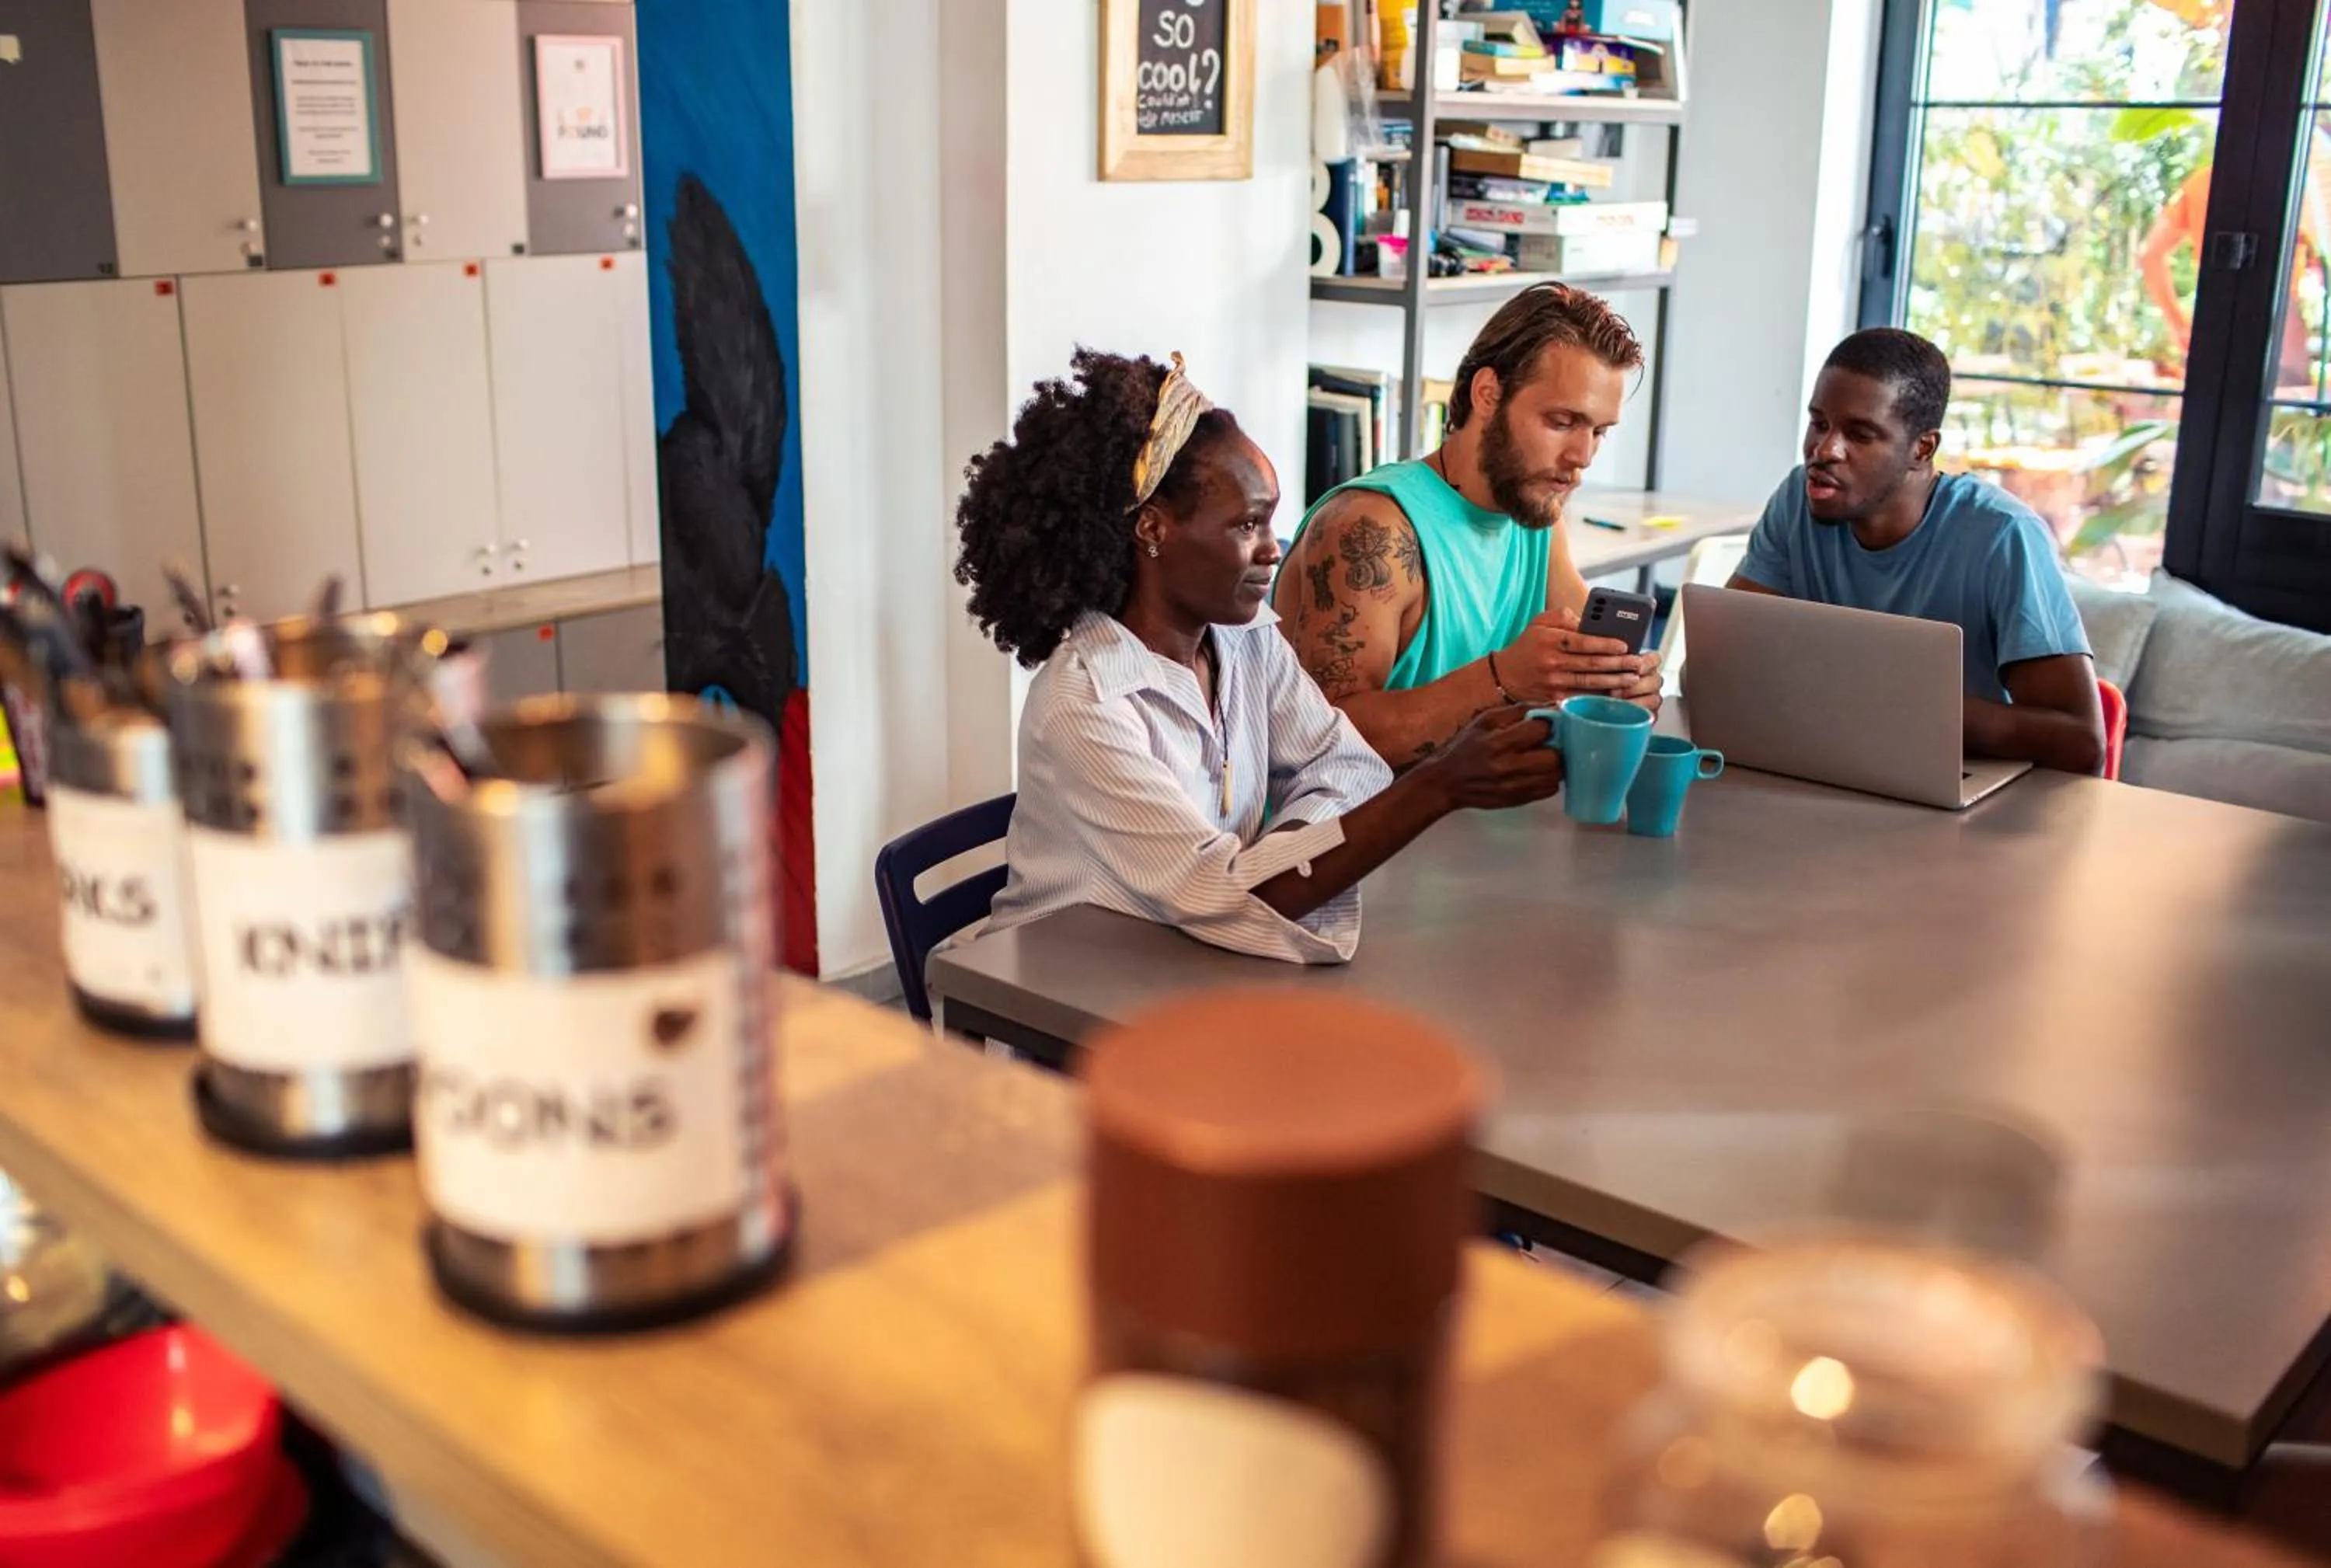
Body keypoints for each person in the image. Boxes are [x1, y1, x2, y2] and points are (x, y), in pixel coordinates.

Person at [953, 349, 1567, 964]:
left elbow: (1347, 763)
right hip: (1069, 1002)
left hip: (1188, 966)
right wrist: (1437, 786)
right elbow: (1224, 890)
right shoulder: (1085, 705)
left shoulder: (1245, 638)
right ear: (1154, 530)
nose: (1275, 551)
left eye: (1271, 522)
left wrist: (1277, 854)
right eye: (1248, 526)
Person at [1273, 284, 1662, 769]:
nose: (1582, 458)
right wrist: (1503, 680)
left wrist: (1624, 680)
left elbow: (1585, 660)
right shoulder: (1371, 528)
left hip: (1472, 825)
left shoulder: (1535, 515)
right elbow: (1318, 741)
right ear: (1487, 394)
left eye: (1599, 432)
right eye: (1562, 422)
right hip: (1361, 836)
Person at [1728, 329, 2106, 775]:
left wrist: (1887, 707)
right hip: (1837, 771)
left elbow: (2081, 742)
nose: (1824, 450)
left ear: (1921, 448)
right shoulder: (1798, 499)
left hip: (1963, 793)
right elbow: (1722, 666)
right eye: (1819, 423)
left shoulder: (2003, 535)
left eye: (1860, 434)